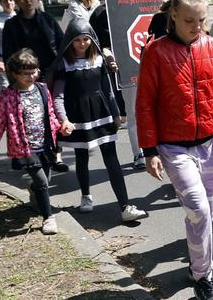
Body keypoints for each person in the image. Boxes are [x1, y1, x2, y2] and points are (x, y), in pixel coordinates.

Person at [136, 0, 213, 300]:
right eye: (189, 20)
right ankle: (203, 277)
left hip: (209, 143)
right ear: (173, 15)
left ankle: (197, 268)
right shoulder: (156, 53)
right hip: (173, 147)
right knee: (199, 208)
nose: (196, 27)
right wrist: (149, 150)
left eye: (201, 20)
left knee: (205, 211)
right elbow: (144, 104)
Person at [51, 19, 148, 223]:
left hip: (101, 113)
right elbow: (58, 96)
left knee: (112, 159)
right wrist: (64, 119)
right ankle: (86, 196)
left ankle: (125, 206)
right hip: (78, 116)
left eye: (86, 39)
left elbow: (108, 90)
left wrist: (115, 114)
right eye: (77, 40)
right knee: (82, 156)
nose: (82, 43)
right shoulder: (64, 64)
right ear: (69, 41)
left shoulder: (98, 60)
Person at [0, 49, 61, 234]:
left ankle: (34, 190)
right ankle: (48, 218)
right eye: (26, 73)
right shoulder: (7, 96)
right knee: (42, 182)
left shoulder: (42, 89)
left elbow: (50, 114)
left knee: (45, 181)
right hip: (25, 148)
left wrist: (60, 126)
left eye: (34, 71)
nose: (31, 76)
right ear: (15, 74)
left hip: (45, 144)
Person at [2, 0, 69, 173]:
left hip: (49, 73)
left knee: (51, 114)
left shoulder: (47, 20)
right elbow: (7, 54)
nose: (28, 1)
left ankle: (56, 155)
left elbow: (62, 44)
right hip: (23, 76)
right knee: (23, 117)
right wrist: (14, 80)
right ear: (17, 2)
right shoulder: (11, 25)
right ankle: (22, 154)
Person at [89, 0, 145, 169]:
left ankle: (158, 149)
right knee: (133, 113)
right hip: (125, 69)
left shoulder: (144, 7)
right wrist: (107, 55)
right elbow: (97, 42)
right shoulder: (102, 13)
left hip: (149, 67)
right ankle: (139, 153)